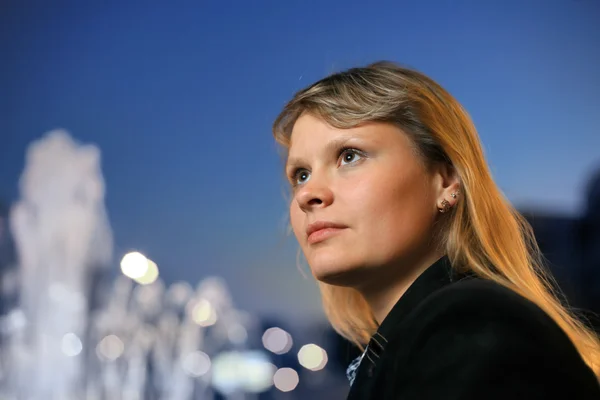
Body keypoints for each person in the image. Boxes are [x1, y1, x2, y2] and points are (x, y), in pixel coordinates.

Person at [271, 62, 600, 399]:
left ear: (445, 180)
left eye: (350, 155)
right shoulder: (414, 340)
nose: (307, 194)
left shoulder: (469, 324)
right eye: (301, 174)